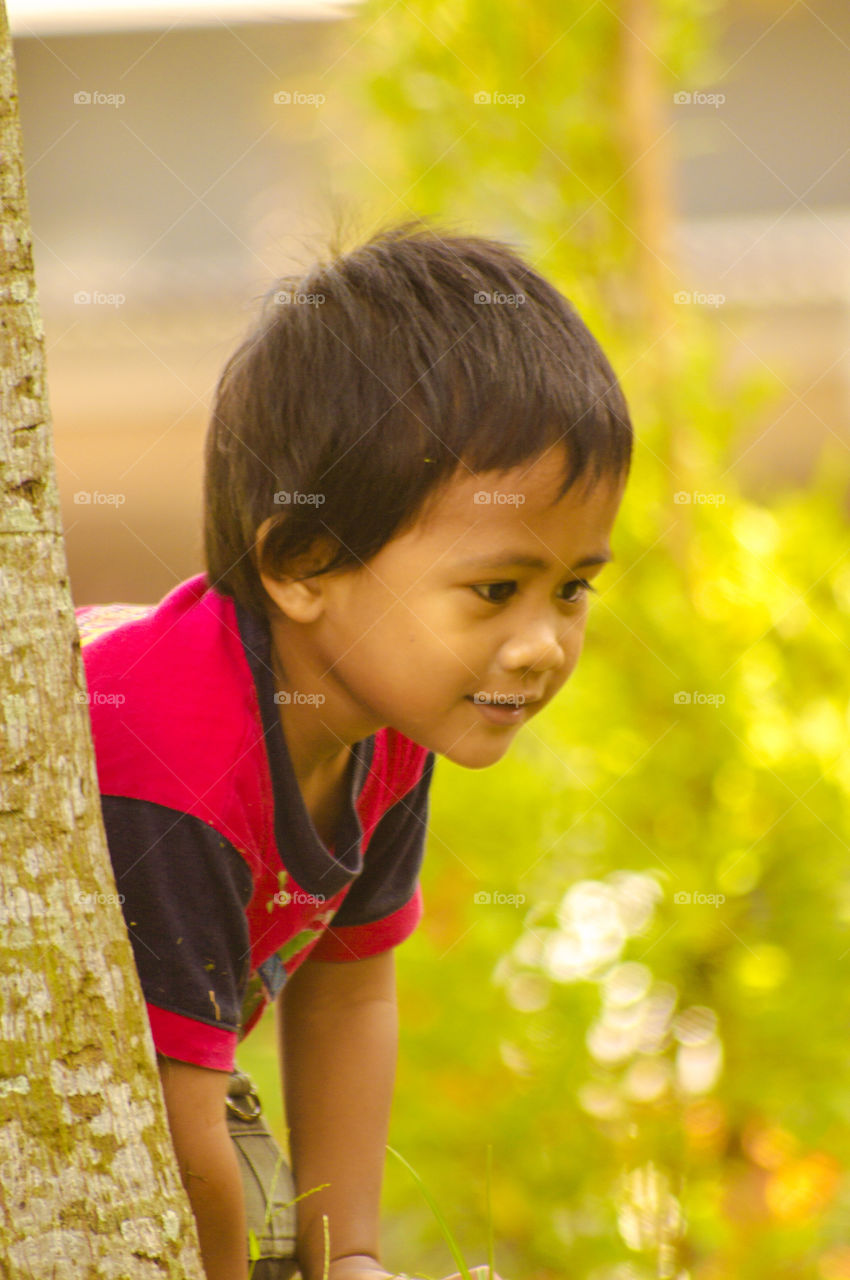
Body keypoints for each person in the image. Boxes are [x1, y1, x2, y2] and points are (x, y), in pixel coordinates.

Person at [76, 218, 633, 1280]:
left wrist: (353, 1256)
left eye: (572, 588)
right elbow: (171, 1119)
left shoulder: (388, 729)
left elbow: (348, 985)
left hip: (164, 1075)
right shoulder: (173, 751)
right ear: (304, 563)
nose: (540, 645)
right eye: (494, 589)